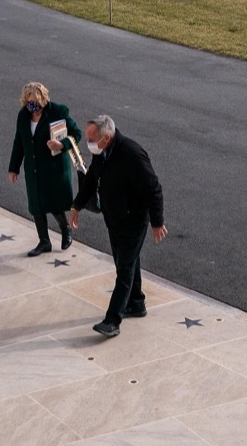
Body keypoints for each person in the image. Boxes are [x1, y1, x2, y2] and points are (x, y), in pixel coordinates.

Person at [68, 115, 166, 338]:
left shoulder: (132, 154)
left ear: (107, 137)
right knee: (126, 262)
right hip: (114, 219)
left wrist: (157, 222)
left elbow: (154, 189)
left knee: (124, 269)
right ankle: (136, 302)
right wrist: (76, 206)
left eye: (93, 138)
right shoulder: (102, 154)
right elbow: (92, 180)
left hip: (134, 219)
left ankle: (112, 320)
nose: (89, 143)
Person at [8, 82, 83, 257]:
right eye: (28, 102)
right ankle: (44, 241)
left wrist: (61, 144)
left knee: (54, 202)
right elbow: (19, 142)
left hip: (53, 168)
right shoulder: (23, 116)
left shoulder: (58, 112)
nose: (32, 106)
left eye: (35, 101)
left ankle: (65, 231)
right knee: (37, 205)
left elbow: (76, 133)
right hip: (34, 169)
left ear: (43, 99)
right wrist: (14, 168)